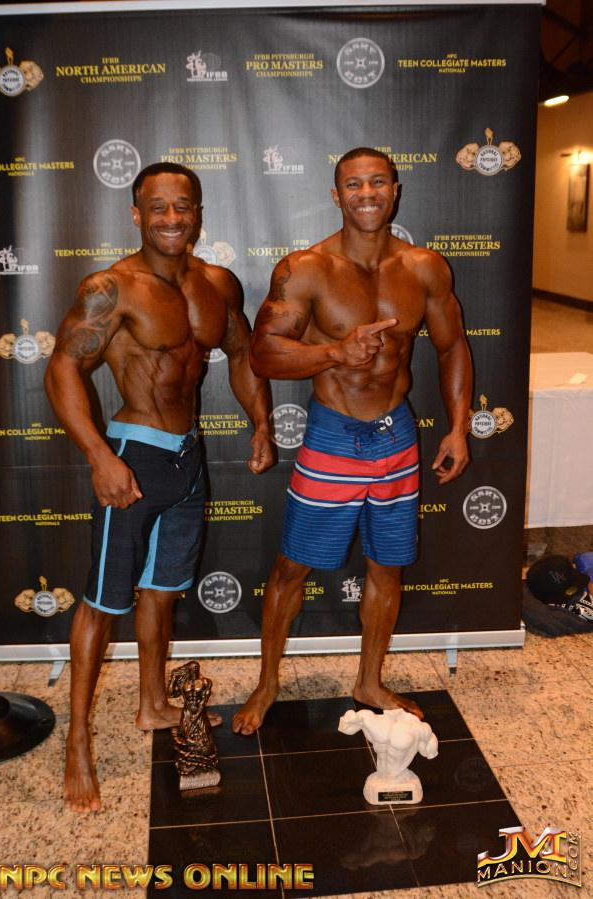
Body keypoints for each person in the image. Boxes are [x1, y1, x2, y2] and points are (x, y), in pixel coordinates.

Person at [44, 162, 273, 812]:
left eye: (183, 205)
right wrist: (98, 455)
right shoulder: (112, 288)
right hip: (133, 455)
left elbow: (241, 354)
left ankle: (152, 703)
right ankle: (78, 741)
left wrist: (260, 421)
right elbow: (62, 369)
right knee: (101, 603)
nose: (172, 217)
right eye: (158, 206)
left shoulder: (217, 284)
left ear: (197, 212)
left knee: (162, 593)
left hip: (187, 458)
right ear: (137, 214)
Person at [232, 147, 472, 735]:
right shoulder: (306, 268)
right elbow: (262, 354)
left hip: (397, 436)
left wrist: (458, 426)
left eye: (378, 182)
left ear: (396, 190)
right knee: (292, 567)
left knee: (387, 567)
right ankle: (267, 683)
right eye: (354, 185)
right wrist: (335, 351)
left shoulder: (425, 268)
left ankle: (369, 680)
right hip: (333, 435)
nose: (367, 194)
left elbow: (452, 346)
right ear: (336, 195)